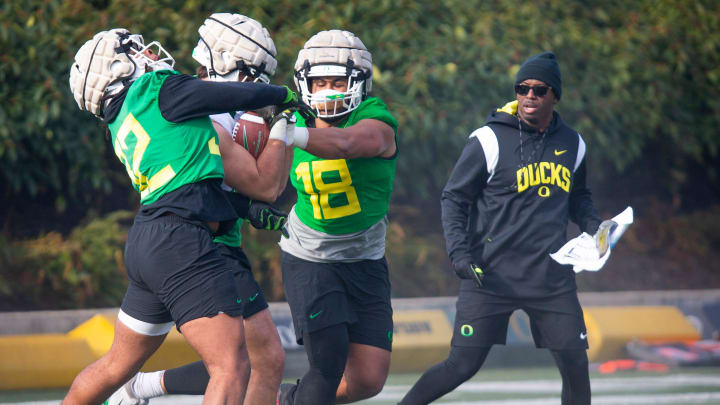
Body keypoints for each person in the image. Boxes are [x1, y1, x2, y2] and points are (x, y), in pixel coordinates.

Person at [65, 28, 295, 405]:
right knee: (232, 366)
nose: (149, 54)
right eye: (134, 49)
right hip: (181, 240)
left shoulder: (123, 119)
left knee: (114, 367)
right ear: (118, 66)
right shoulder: (155, 89)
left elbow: (190, 184)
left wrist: (246, 210)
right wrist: (279, 95)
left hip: (151, 240)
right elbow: (220, 94)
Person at [398, 52, 603, 405]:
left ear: (555, 95)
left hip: (551, 278)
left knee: (574, 365)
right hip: (490, 276)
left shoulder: (574, 143)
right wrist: (459, 253)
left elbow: (578, 198)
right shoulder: (489, 139)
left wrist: (596, 226)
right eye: (522, 88)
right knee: (461, 365)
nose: (529, 96)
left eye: (539, 90)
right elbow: (454, 198)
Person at [275, 29, 399, 405]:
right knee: (327, 368)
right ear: (304, 83)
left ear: (358, 82)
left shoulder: (374, 117)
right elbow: (264, 182)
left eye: (337, 81)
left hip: (365, 258)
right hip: (311, 258)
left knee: (368, 379)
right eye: (320, 81)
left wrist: (289, 135)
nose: (328, 90)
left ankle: (278, 399)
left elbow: (346, 145)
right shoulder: (290, 118)